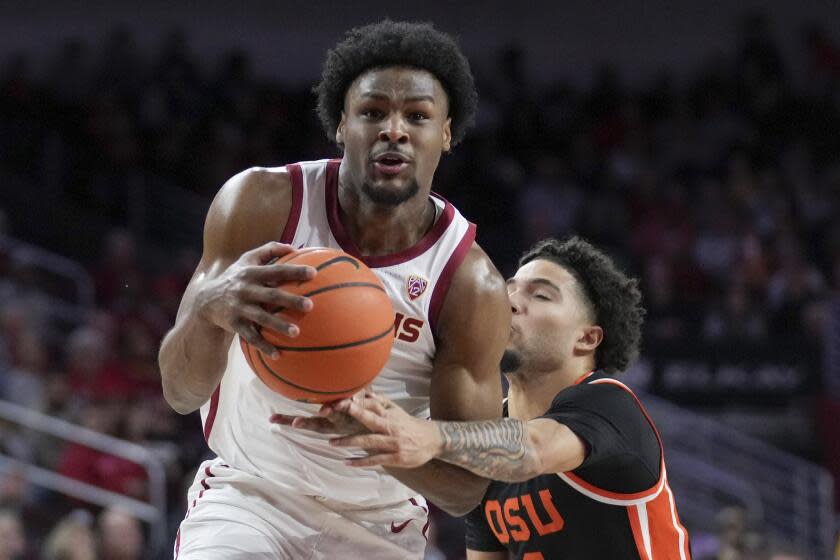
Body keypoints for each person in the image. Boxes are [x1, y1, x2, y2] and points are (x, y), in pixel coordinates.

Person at [158, 20, 510, 559]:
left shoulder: (468, 284)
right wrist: (210, 310)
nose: (395, 129)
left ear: (446, 132)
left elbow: (466, 490)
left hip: (379, 525)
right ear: (341, 124)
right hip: (251, 498)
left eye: (417, 116)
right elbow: (180, 392)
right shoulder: (262, 204)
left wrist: (376, 439)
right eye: (373, 112)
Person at [324, 237, 692, 559]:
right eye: (510, 289)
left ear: (587, 339)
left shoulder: (610, 404)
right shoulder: (484, 439)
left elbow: (531, 451)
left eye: (541, 295)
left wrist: (428, 436)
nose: (510, 303)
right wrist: (364, 428)